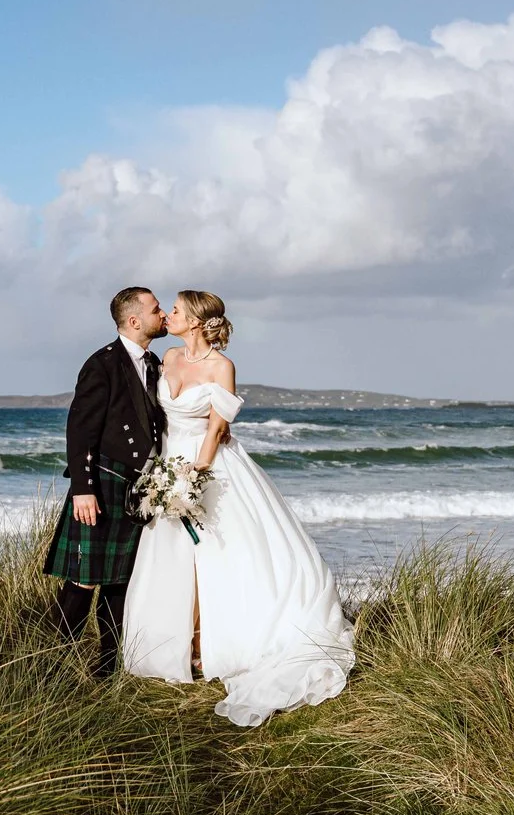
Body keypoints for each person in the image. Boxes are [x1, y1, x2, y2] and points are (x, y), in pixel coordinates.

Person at [121, 290, 355, 726]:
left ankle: (213, 644)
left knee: (221, 553)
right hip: (167, 461)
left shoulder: (221, 367)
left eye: (174, 310)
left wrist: (194, 477)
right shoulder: (166, 358)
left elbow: (217, 427)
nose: (167, 315)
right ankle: (179, 645)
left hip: (206, 467)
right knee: (173, 556)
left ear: (194, 320)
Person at [45, 286, 167, 676]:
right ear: (134, 321)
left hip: (138, 487)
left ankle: (108, 667)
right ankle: (53, 665)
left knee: (119, 582)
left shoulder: (154, 362)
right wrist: (83, 487)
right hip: (104, 481)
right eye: (155, 308)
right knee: (83, 580)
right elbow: (80, 429)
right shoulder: (102, 363)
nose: (162, 313)